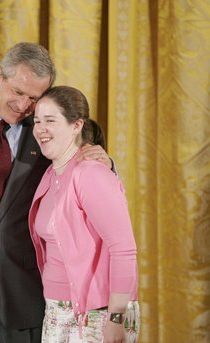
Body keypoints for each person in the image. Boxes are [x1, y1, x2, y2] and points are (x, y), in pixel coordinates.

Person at [0, 42, 112, 343]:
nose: (24, 105)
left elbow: (85, 173)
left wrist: (107, 162)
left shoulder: (47, 131)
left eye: (34, 98)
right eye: (17, 92)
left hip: (25, 292)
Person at [29, 85, 140, 342]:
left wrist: (116, 317)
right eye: (37, 121)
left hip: (97, 313)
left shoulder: (89, 172)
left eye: (50, 120)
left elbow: (123, 248)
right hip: (58, 310)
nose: (40, 128)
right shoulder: (50, 174)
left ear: (76, 125)